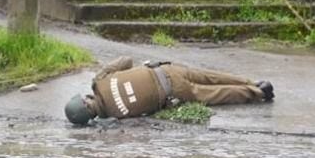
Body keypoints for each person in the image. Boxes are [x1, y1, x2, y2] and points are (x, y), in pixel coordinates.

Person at [64, 56, 274, 125]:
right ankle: (251, 81)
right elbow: (126, 60)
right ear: (86, 100)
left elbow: (146, 114)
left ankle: (259, 93)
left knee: (214, 95)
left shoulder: (116, 117)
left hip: (171, 93)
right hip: (164, 71)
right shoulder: (99, 81)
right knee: (209, 76)